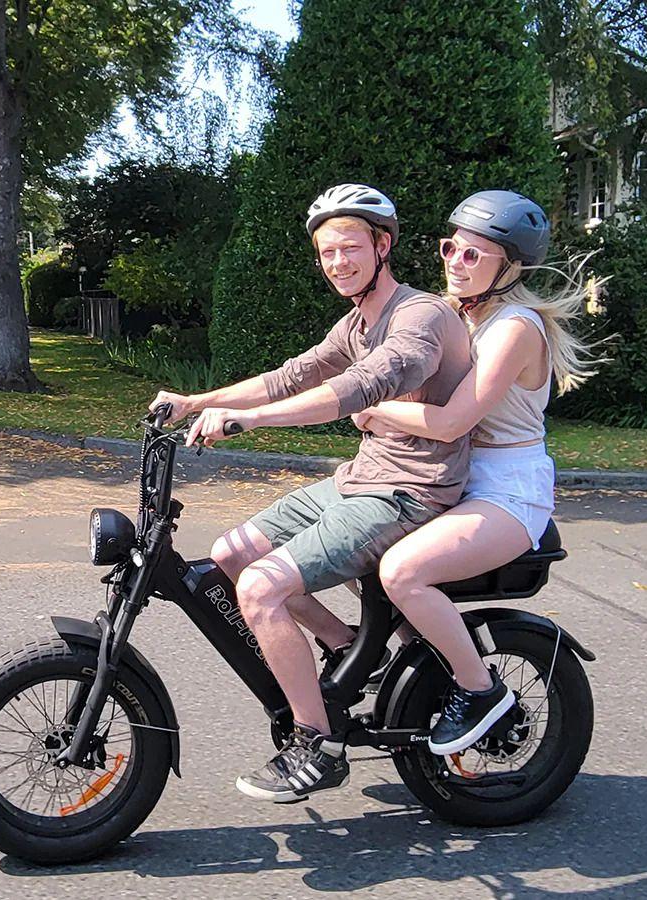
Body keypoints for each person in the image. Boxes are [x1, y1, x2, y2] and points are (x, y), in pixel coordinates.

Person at [152, 183, 473, 803]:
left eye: (350, 248)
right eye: (327, 253)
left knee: (261, 586)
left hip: (410, 493)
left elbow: (363, 386)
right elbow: (292, 376)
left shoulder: (421, 315)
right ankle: (352, 649)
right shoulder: (356, 323)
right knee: (232, 555)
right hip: (360, 481)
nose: (338, 264)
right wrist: (199, 401)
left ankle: (317, 744)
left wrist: (251, 423)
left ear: (384, 245)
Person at [354, 190, 600, 756]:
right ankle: (419, 663)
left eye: (474, 255)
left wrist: (370, 406)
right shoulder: (453, 315)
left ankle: (479, 688)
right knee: (352, 541)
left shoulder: (516, 327)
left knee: (403, 572)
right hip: (451, 476)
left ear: (510, 267)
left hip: (507, 490)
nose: (455, 263)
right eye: (450, 248)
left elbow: (450, 421)